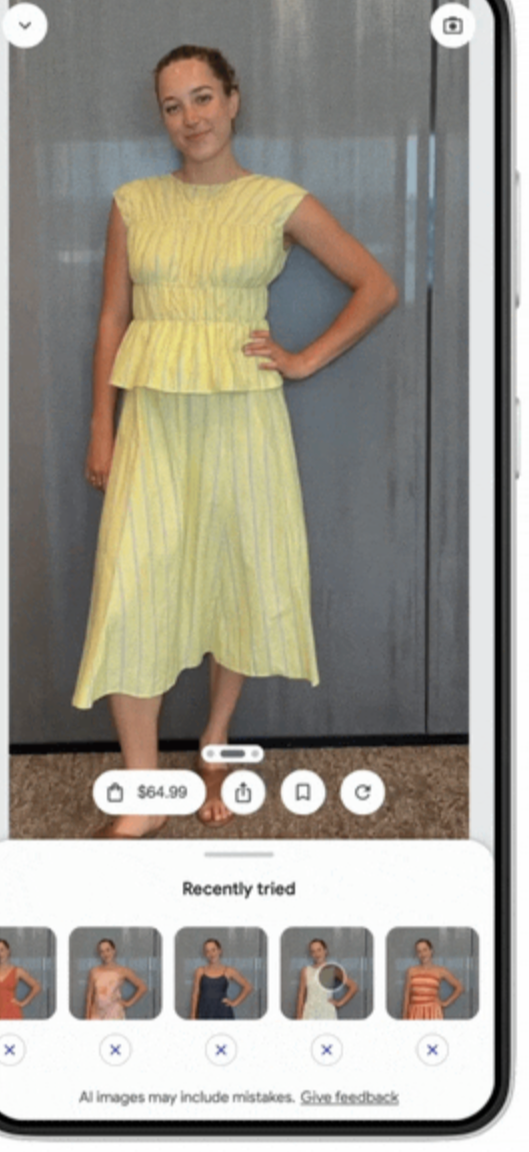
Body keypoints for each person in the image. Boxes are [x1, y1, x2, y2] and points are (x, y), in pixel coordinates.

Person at [72, 44, 399, 837]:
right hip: (154, 415)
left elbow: (377, 286)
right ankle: (144, 789)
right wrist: (100, 424)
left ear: (232, 99)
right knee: (132, 587)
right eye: (173, 105)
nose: (191, 117)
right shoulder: (134, 203)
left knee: (239, 576)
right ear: (162, 118)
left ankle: (214, 740)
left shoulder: (277, 202)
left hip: (244, 417)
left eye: (203, 97)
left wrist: (303, 360)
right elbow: (113, 318)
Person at [84, 938, 148, 1020]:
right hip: (96, 1013)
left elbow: (143, 987)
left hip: (114, 1013)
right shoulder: (94, 971)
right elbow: (89, 996)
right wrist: (87, 1016)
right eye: (102, 951)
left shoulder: (123, 971)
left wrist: (128, 1003)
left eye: (108, 950)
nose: (105, 954)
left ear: (114, 951)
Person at [189, 937, 253, 1020]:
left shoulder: (229, 971)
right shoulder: (200, 971)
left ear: (220, 951)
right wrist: (193, 1015)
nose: (211, 954)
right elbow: (195, 995)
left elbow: (248, 987)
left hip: (223, 1012)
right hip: (204, 1012)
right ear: (205, 954)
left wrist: (234, 1002)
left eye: (213, 950)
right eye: (207, 951)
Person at [295, 937, 359, 1019]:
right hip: (309, 1012)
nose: (317, 954)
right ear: (311, 954)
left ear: (325, 951)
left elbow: (353, 986)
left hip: (327, 1012)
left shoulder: (333, 969)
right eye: (313, 951)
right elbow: (301, 995)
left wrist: (340, 1003)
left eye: (319, 950)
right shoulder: (305, 970)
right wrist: (299, 1016)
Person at [402, 937, 464, 1020]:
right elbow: (407, 996)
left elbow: (459, 987)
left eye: (425, 950)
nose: (423, 954)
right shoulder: (411, 971)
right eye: (419, 951)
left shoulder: (440, 971)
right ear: (417, 955)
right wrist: (404, 1015)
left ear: (431, 951)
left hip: (433, 1012)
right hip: (414, 1012)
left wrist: (445, 1003)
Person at [0, 938, 42, 1019]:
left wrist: (23, 1003)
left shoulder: (17, 971)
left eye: (1, 950)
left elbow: (37, 986)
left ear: (8, 951)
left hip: (12, 1014)